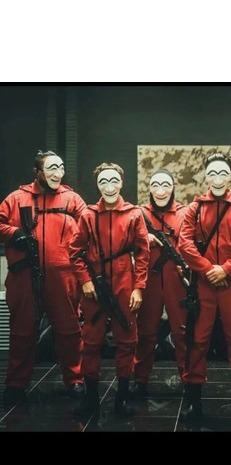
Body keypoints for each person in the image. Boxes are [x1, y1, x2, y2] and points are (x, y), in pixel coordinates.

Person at [0, 150, 86, 407]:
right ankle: (16, 384)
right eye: (51, 168)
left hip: (64, 278)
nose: (58, 173)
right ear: (37, 172)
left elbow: (90, 227)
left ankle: (75, 380)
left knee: (70, 330)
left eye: (61, 167)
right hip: (24, 276)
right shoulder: (16, 198)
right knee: (22, 332)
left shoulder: (72, 199)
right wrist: (13, 233)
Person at [178, 152, 231, 422]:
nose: (217, 178)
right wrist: (208, 269)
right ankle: (194, 402)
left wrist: (226, 269)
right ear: (205, 176)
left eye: (223, 172)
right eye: (212, 173)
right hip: (203, 284)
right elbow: (184, 243)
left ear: (230, 175)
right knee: (197, 340)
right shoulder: (195, 208)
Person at [69, 162, 150, 416]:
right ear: (97, 185)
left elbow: (143, 254)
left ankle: (121, 398)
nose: (109, 186)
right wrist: (85, 280)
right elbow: (75, 252)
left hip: (125, 284)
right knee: (90, 342)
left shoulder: (134, 214)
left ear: (121, 183)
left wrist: (139, 287)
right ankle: (91, 398)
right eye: (103, 181)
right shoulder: (88, 215)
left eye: (114, 180)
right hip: (94, 285)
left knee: (127, 341)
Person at [133, 169, 188, 397]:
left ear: (173, 187)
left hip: (178, 279)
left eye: (166, 185)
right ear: (149, 188)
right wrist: (143, 238)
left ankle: (189, 380)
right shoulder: (139, 213)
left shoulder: (185, 213)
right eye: (155, 185)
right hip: (149, 279)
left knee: (182, 333)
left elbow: (193, 243)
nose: (161, 190)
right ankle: (139, 380)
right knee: (145, 332)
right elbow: (125, 240)